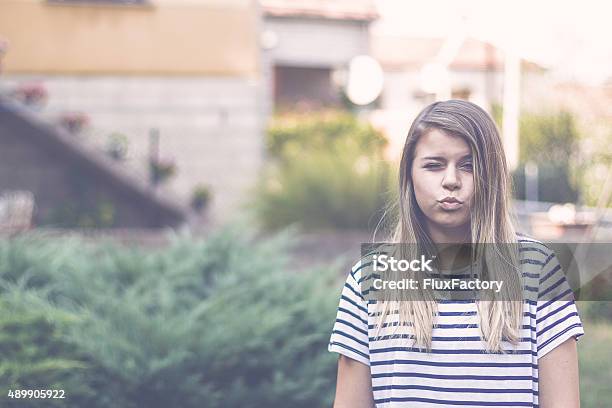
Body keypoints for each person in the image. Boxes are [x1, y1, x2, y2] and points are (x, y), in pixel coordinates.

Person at [328, 100, 584, 408]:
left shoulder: (538, 270)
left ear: (492, 176)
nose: (451, 180)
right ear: (409, 175)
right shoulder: (370, 277)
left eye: (468, 165)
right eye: (434, 165)